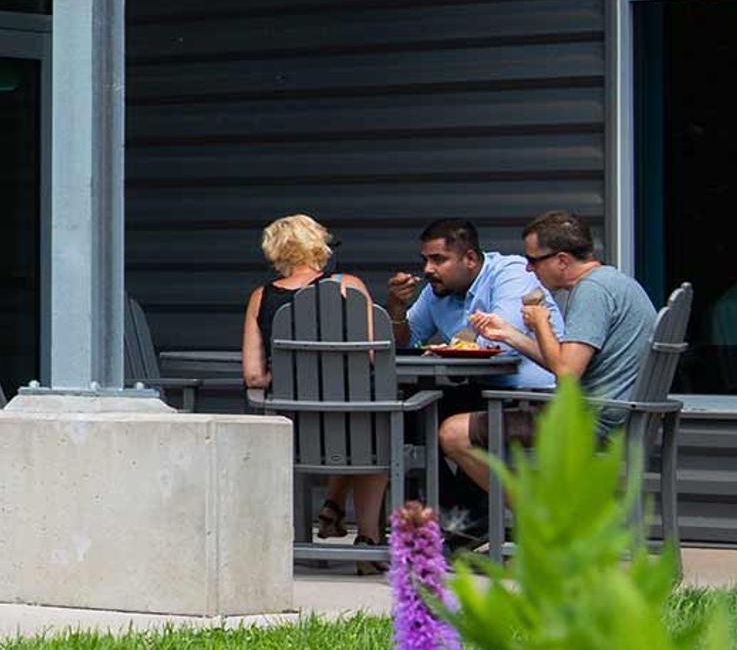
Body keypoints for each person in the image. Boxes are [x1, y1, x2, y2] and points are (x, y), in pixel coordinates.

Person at [442, 210, 660, 503]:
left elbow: (567, 372)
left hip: (592, 423)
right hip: (616, 418)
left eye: (533, 260)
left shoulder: (592, 292)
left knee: (453, 433)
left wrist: (541, 323)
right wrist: (510, 334)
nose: (529, 270)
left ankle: (538, 518)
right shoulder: (614, 282)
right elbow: (569, 362)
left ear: (561, 260)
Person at [387, 218, 549, 532]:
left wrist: (457, 343)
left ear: (470, 259)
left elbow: (503, 340)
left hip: (532, 398)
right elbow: (405, 342)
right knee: (406, 413)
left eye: (439, 260)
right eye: (425, 261)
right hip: (485, 393)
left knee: (443, 423)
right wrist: (396, 308)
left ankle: (472, 519)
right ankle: (462, 514)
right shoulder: (438, 291)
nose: (428, 269)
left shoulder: (510, 274)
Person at [240, 213, 382, 545]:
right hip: (356, 424)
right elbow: (372, 355)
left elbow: (254, 376)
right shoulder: (350, 286)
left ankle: (299, 535)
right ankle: (369, 538)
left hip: (296, 430)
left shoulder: (261, 298)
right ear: (318, 245)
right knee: (375, 441)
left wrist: (291, 373)